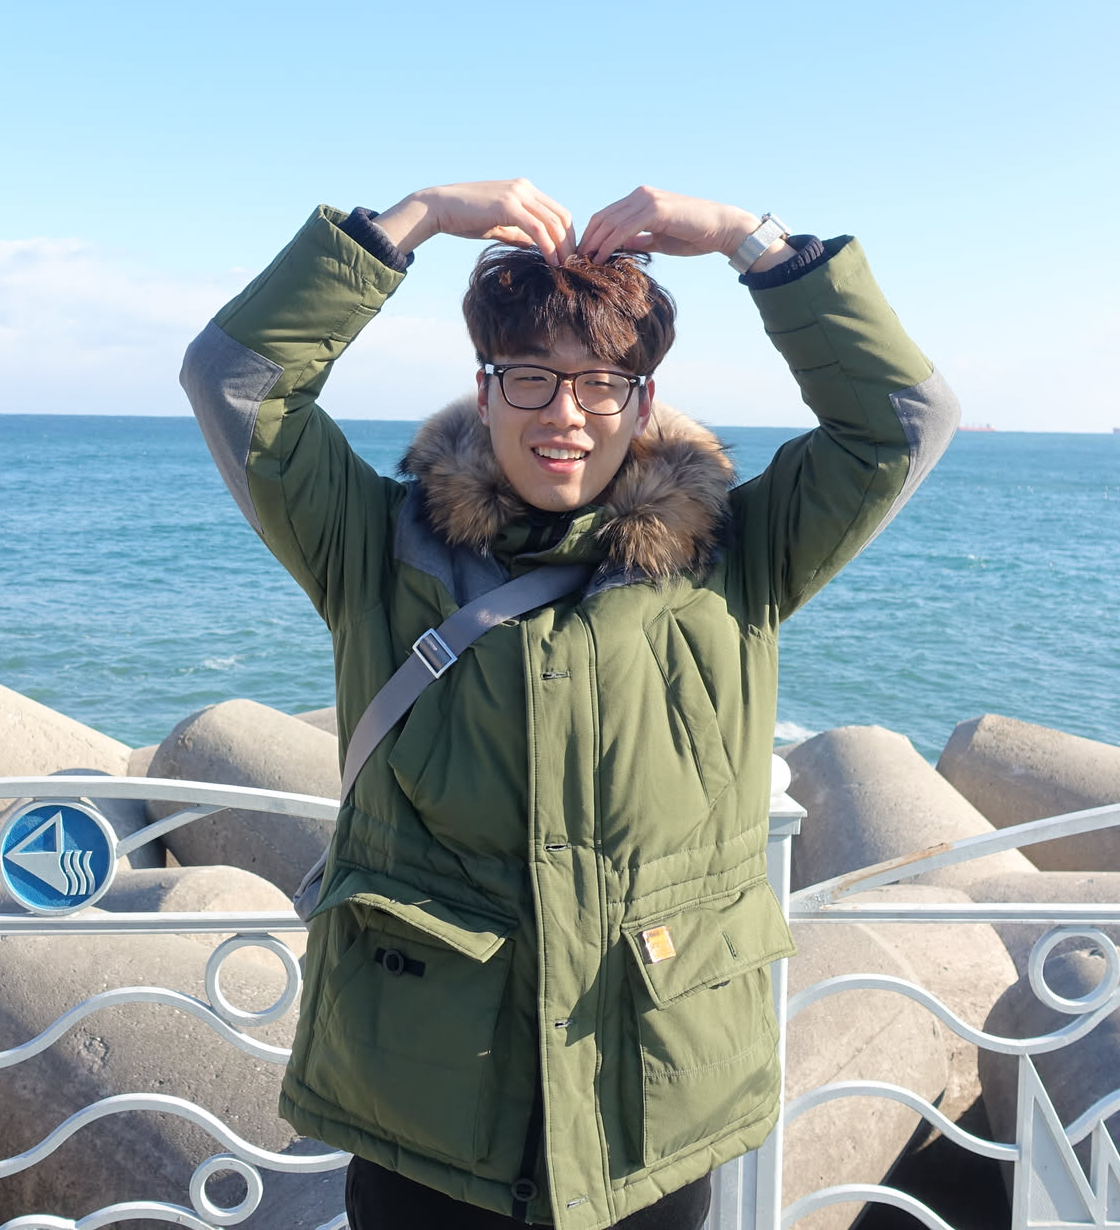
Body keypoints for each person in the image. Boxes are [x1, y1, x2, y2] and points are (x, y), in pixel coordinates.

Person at [181, 181, 955, 1230]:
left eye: (601, 383)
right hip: (426, 1113)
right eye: (532, 378)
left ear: (642, 401)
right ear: (485, 390)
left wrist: (752, 242)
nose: (565, 414)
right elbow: (235, 379)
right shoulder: (372, 545)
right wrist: (413, 221)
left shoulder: (742, 557)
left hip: (653, 1111)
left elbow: (901, 421)